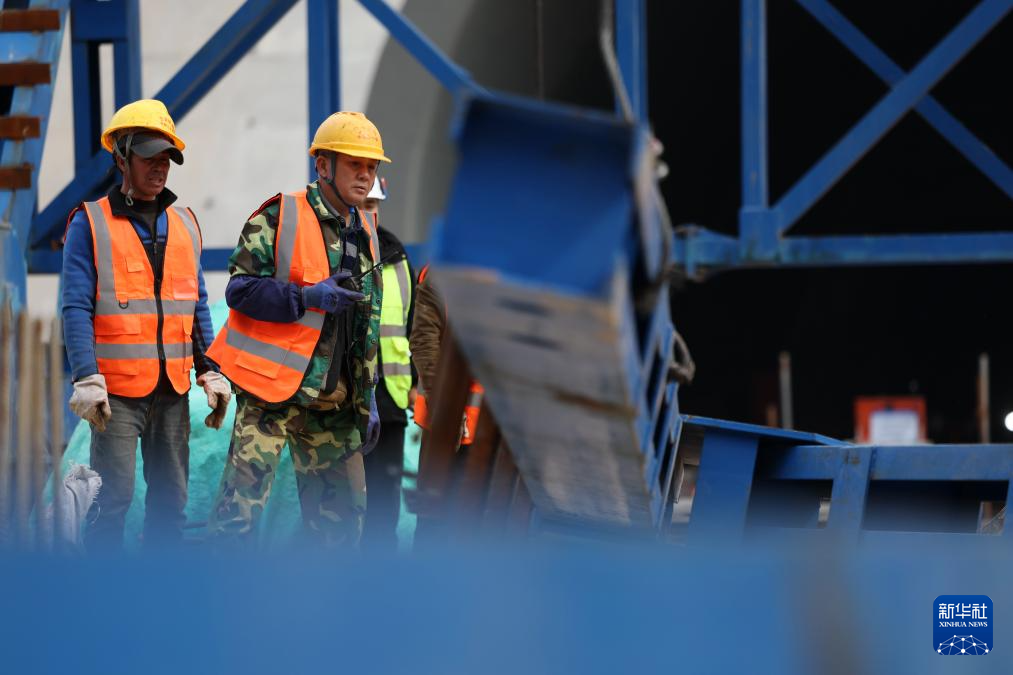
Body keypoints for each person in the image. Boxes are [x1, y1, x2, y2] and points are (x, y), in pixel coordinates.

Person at [206, 111, 388, 548]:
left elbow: (366, 323)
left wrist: (368, 395)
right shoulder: (281, 215)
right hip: (271, 394)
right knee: (238, 518)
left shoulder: (366, 228)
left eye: (371, 166)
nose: (365, 175)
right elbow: (239, 290)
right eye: (354, 164)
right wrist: (305, 298)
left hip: (335, 403)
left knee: (341, 529)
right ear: (323, 165)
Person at [62, 99, 229, 552]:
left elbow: (196, 305)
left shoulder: (185, 224)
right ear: (122, 157)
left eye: (167, 158)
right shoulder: (90, 223)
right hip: (115, 393)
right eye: (150, 156)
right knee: (112, 499)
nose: (160, 167)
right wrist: (86, 376)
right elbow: (75, 307)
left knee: (171, 502)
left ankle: (161, 586)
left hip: (172, 390)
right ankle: (103, 586)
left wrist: (211, 368)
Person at [359, 177, 417, 552]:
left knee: (384, 498)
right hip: (346, 400)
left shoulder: (396, 255)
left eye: (373, 205)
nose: (369, 213)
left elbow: (410, 325)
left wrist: (413, 382)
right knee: (345, 501)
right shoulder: (331, 251)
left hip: (391, 398)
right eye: (363, 205)